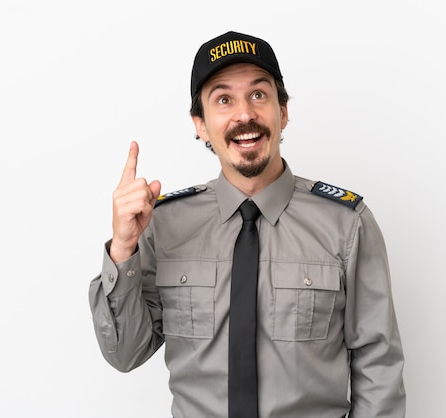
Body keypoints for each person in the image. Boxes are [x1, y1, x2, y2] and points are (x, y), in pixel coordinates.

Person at [89, 30, 405, 418]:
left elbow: (379, 368)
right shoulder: (163, 224)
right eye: (223, 99)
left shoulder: (347, 225)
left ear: (283, 111)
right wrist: (123, 249)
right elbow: (125, 353)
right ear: (200, 124)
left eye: (259, 94)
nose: (244, 114)